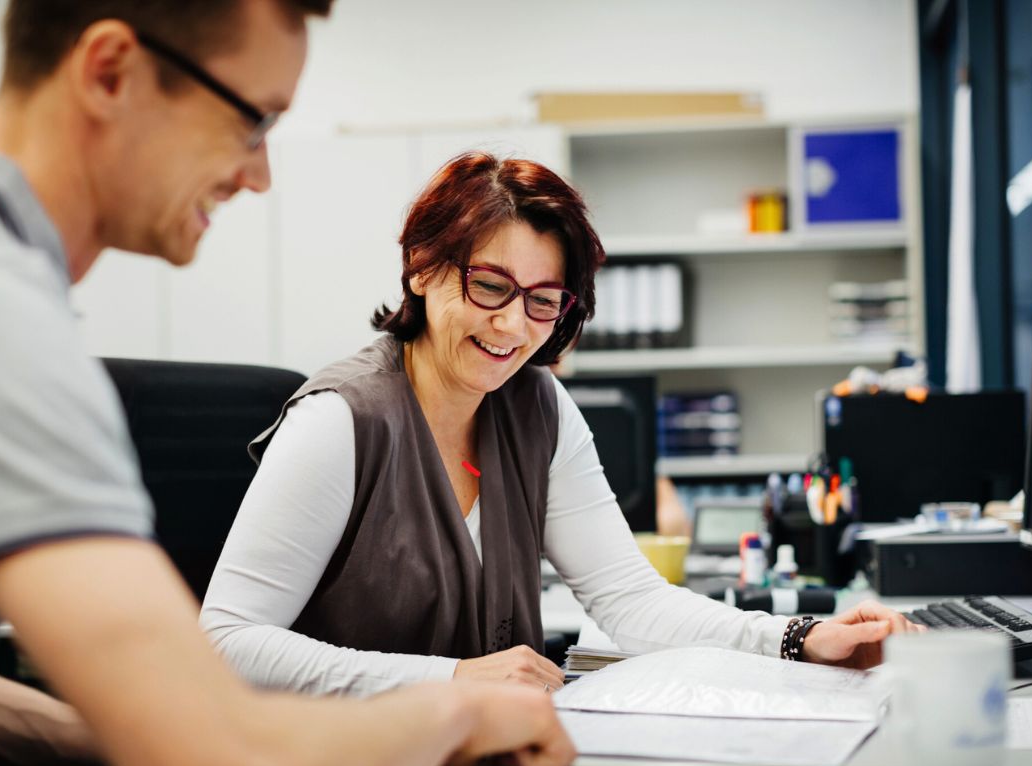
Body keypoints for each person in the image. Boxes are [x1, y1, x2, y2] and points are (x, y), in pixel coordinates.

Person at [0, 3, 576, 766]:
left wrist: (124, 740)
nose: (259, 175)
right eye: (252, 122)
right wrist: (459, 713)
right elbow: (221, 763)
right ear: (109, 72)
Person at [200, 151, 920, 698]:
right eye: (489, 286)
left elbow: (632, 602)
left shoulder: (539, 410)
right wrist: (452, 679)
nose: (513, 326)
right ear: (421, 265)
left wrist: (800, 636)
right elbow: (226, 641)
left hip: (478, 760)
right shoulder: (340, 422)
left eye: (544, 302)